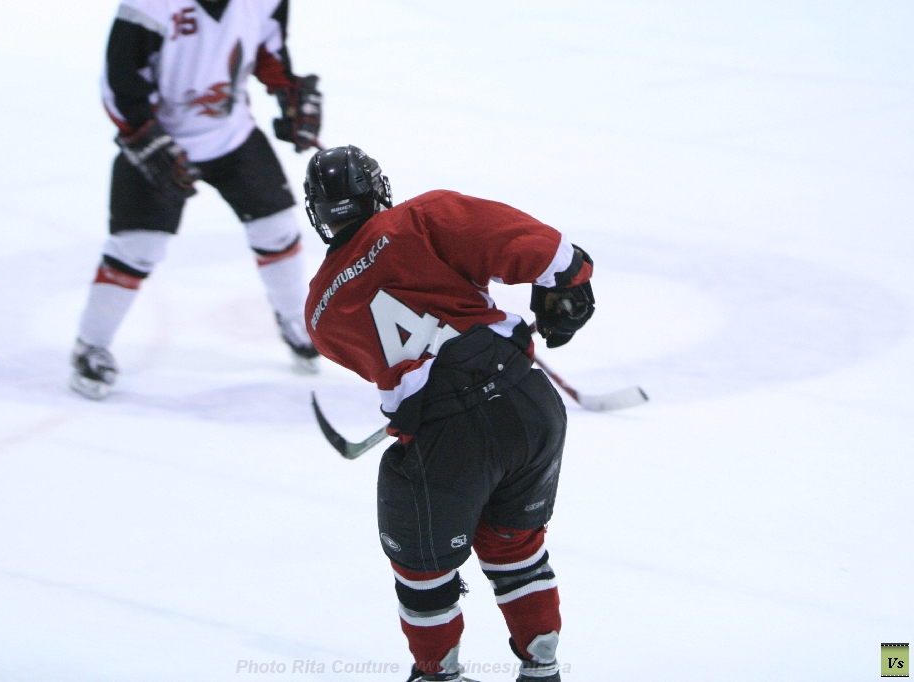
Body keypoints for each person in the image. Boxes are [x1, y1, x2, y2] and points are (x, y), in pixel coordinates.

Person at [303, 146, 595, 682]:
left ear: (317, 213)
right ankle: (543, 669)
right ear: (377, 190)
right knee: (515, 546)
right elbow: (547, 251)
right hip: (528, 406)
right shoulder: (421, 218)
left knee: (422, 570)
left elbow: (397, 359)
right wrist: (569, 286)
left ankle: (437, 675)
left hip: (448, 439)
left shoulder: (320, 312)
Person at [70, 0, 321, 399]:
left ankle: (297, 321)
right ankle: (91, 344)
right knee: (137, 247)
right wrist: (142, 136)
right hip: (160, 136)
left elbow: (267, 47)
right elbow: (120, 79)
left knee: (276, 227)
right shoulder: (150, 6)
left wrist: (288, 92)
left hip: (232, 135)